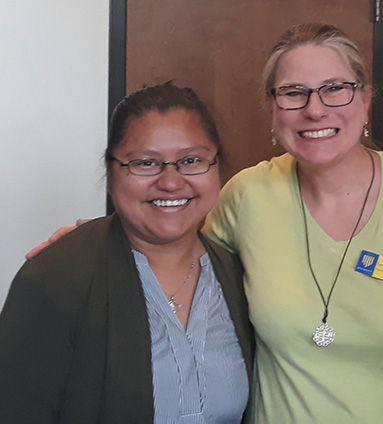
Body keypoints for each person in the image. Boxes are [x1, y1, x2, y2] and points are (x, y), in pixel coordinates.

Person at [203, 22, 383, 423]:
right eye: (293, 93)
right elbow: (177, 268)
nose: (315, 109)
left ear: (365, 102)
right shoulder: (247, 197)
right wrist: (97, 245)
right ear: (272, 109)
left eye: (335, 88)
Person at [0, 83, 254, 423]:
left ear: (217, 168)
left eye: (191, 160)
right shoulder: (54, 282)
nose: (170, 181)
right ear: (110, 174)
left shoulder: (239, 277)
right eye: (145, 163)